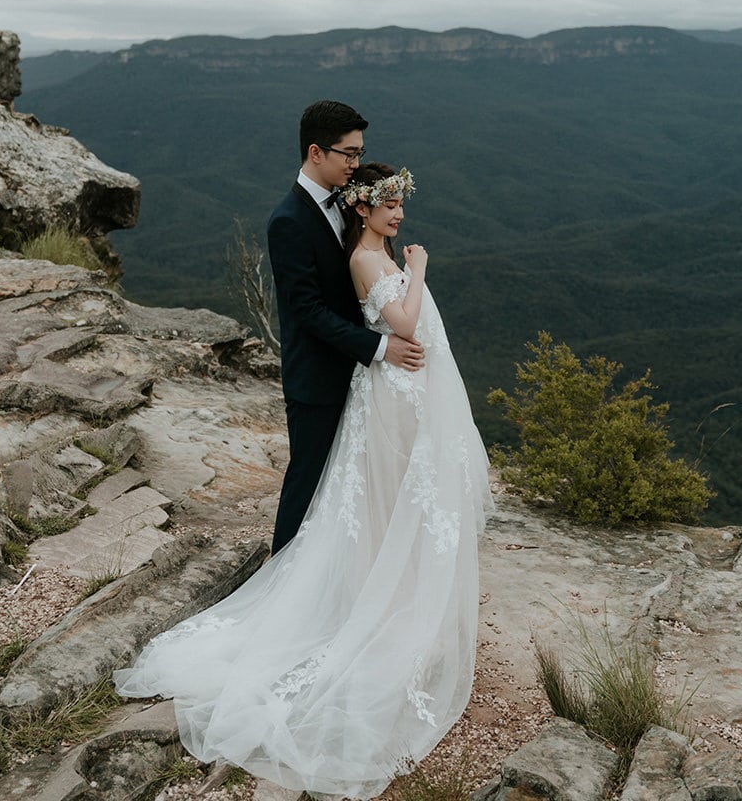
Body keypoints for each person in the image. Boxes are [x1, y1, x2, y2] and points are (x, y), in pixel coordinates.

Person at [114, 162, 492, 799]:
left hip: (406, 391)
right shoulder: (369, 262)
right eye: (389, 206)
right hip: (393, 391)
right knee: (387, 501)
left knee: (399, 501)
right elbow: (401, 323)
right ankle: (378, 608)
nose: (399, 215)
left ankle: (395, 600)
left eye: (402, 206)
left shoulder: (376, 251)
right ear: (363, 209)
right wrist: (422, 267)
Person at [262, 100, 424, 554]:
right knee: (307, 484)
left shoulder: (352, 205)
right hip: (317, 379)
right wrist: (379, 347)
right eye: (348, 155)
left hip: (360, 380)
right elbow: (308, 311)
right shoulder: (287, 222)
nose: (356, 163)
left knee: (346, 488)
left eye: (359, 153)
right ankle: (280, 578)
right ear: (317, 152)